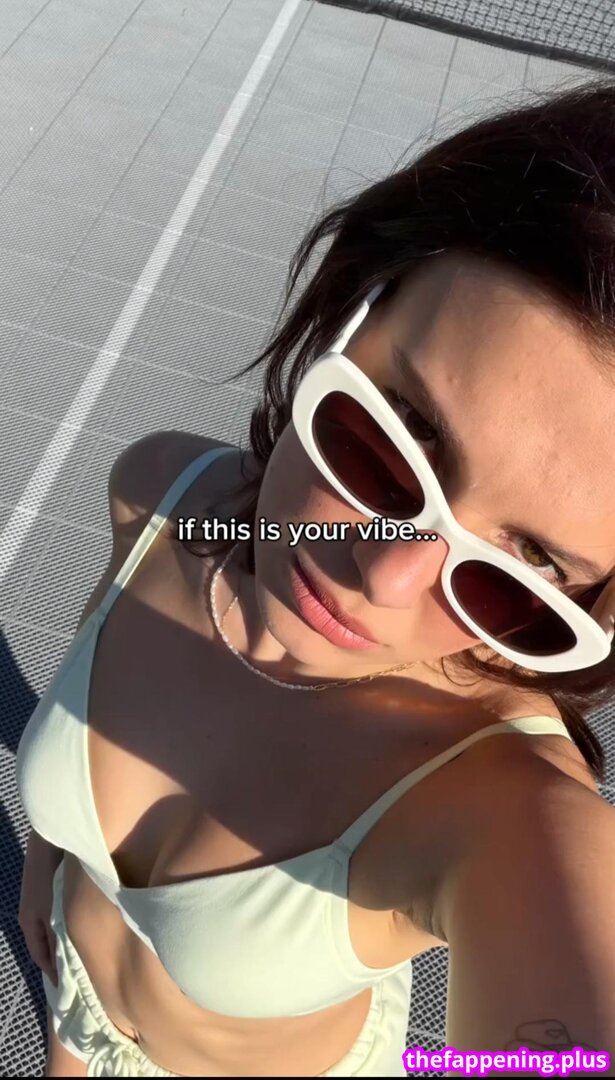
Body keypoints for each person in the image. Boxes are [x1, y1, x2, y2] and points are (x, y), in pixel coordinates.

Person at [16, 77, 615, 1078]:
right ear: (346, 312)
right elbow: (111, 619)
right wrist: (48, 858)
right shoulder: (171, 502)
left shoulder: (496, 802)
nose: (387, 577)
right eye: (396, 435)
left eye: (533, 566)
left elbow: (563, 1041)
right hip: (76, 1005)